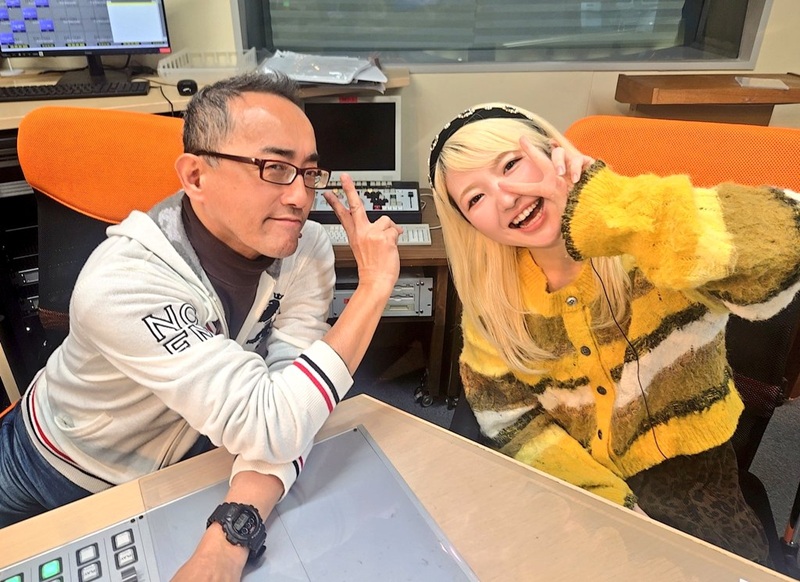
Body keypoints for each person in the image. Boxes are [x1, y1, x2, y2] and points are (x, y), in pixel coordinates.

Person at [0, 72, 401, 579]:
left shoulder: (306, 249)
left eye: (308, 172)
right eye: (275, 168)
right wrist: (373, 288)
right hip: (54, 463)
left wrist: (229, 537)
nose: (301, 197)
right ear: (194, 176)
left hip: (180, 466)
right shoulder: (122, 281)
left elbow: (291, 404)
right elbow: (277, 421)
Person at [428, 102, 800, 564]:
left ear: (553, 152)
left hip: (690, 483)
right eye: (475, 198)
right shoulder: (495, 302)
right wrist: (603, 502)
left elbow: (788, 243)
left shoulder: (650, 245)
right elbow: (507, 416)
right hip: (566, 478)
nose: (505, 198)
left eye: (510, 165)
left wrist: (609, 207)